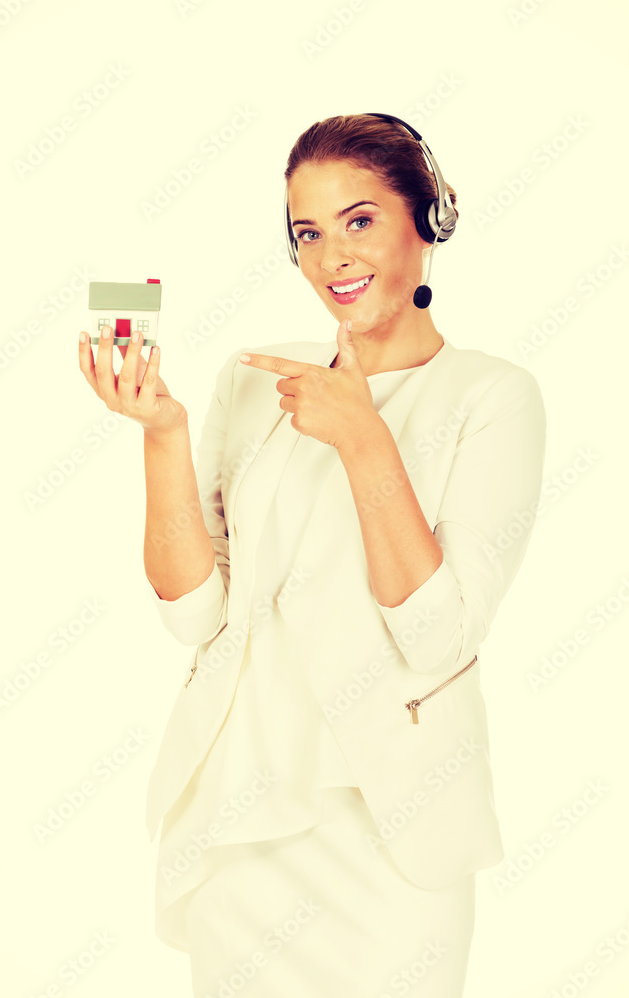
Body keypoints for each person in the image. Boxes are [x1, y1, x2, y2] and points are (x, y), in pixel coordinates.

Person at [78, 112, 547, 998]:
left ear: (427, 222)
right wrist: (163, 435)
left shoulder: (493, 397)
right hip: (241, 832)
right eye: (307, 233)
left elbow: (438, 635)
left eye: (359, 221)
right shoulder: (254, 379)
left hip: (392, 843)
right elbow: (192, 614)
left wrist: (364, 438)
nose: (331, 255)